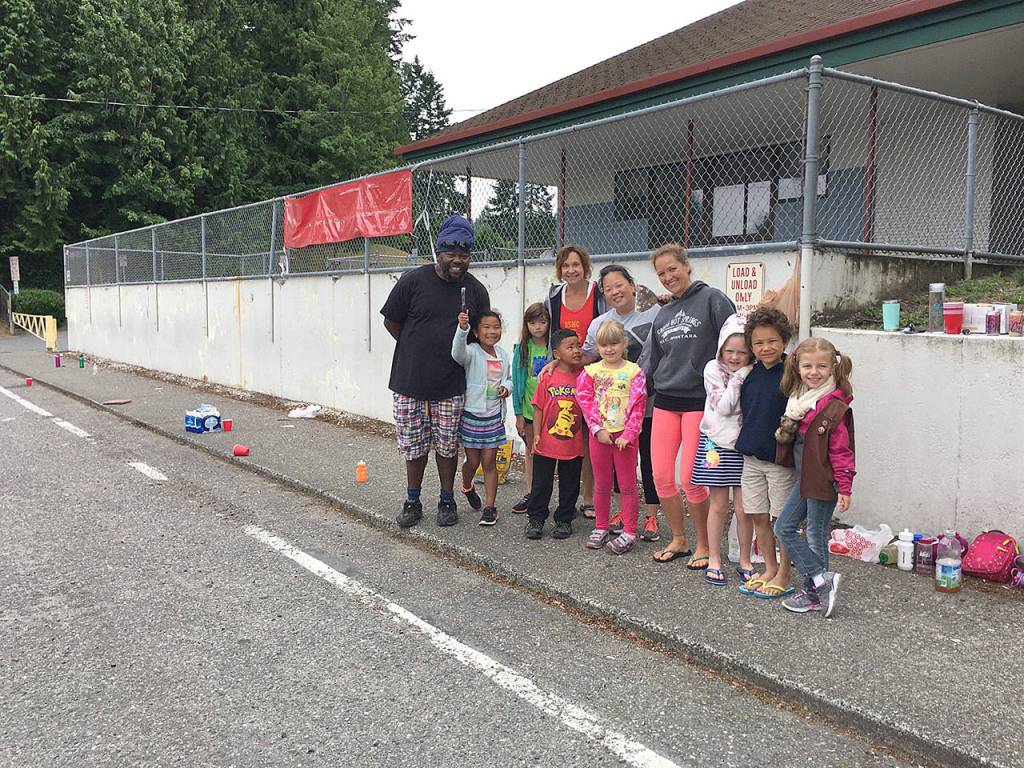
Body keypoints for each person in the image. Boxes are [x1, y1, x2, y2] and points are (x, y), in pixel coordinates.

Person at [380, 215, 490, 529]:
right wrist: (416, 347)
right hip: (409, 381)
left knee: (447, 446)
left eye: (464, 254)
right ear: (438, 253)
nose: (457, 260)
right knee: (414, 447)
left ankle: (446, 499)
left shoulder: (476, 292)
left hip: (452, 385)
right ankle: (412, 501)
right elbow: (392, 321)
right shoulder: (413, 281)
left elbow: (481, 335)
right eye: (451, 253)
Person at [641, 244, 735, 567]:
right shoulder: (663, 313)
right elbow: (653, 362)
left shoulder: (713, 300)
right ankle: (679, 539)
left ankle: (705, 545)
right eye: (661, 273)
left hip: (699, 401)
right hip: (666, 401)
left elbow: (734, 341)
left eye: (672, 269)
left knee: (691, 479)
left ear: (686, 265)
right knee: (661, 476)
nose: (668, 277)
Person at [773, 338, 856, 617]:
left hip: (823, 479)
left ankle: (815, 589)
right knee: (783, 527)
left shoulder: (832, 405)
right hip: (805, 478)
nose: (814, 372)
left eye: (821, 366)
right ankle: (822, 580)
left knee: (815, 533)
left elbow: (841, 450)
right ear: (797, 367)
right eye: (808, 366)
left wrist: (844, 486)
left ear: (833, 367)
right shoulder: (800, 399)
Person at [583, 264, 662, 541]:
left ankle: (651, 516)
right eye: (608, 288)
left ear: (632, 284)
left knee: (650, 463)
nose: (615, 291)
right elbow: (586, 359)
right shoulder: (600, 324)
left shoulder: (656, 312)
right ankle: (618, 514)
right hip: (610, 416)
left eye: (619, 284)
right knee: (614, 469)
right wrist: (554, 364)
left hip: (649, 404)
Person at [734, 308, 797, 599]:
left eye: (772, 341)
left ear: (784, 340)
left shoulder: (792, 374)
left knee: (781, 519)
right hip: (751, 457)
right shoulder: (749, 373)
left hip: (779, 460)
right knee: (757, 514)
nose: (765, 348)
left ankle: (785, 572)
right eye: (758, 343)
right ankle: (769, 567)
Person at [691, 314, 754, 586]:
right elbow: (724, 407)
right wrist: (740, 378)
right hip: (716, 444)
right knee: (718, 505)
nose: (735, 357)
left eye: (742, 352)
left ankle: (745, 559)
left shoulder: (755, 369)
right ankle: (714, 558)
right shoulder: (712, 369)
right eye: (729, 351)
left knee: (744, 509)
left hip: (745, 446)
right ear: (720, 349)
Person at [544, 245, 606, 519]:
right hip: (566, 375)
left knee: (589, 436)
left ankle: (589, 496)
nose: (571, 270)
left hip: (594, 374)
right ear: (560, 270)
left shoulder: (599, 294)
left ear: (585, 267)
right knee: (566, 431)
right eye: (566, 266)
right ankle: (557, 495)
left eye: (576, 265)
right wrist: (553, 362)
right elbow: (551, 338)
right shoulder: (555, 296)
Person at [576, 320, 647, 555]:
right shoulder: (591, 372)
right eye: (604, 345)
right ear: (597, 346)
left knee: (627, 485)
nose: (609, 349)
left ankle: (629, 531)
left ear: (624, 343)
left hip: (625, 438)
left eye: (614, 343)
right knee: (602, 483)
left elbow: (639, 406)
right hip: (601, 436)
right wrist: (597, 429)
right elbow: (585, 401)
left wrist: (629, 434)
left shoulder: (634, 372)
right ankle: (601, 526)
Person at [452, 309, 512, 526]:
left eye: (496, 327)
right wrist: (462, 329)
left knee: (489, 462)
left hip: (494, 417)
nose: (492, 331)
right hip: (472, 416)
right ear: (476, 332)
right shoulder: (472, 351)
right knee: (473, 461)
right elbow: (457, 355)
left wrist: (507, 387)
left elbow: (509, 379)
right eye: (486, 327)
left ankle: (490, 507)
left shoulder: (504, 354)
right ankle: (466, 485)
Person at [525, 329, 586, 541]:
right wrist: (536, 436)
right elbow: (539, 408)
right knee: (541, 483)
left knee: (570, 483)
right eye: (570, 347)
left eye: (578, 345)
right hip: (547, 442)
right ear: (556, 353)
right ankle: (536, 518)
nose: (576, 350)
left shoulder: (585, 375)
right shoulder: (547, 376)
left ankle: (564, 519)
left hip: (574, 442)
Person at [511, 303, 551, 514]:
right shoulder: (522, 348)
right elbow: (518, 382)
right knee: (530, 451)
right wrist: (517, 413)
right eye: (533, 322)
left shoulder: (553, 347)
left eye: (542, 322)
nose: (538, 327)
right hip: (528, 411)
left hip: (552, 410)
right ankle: (531, 492)